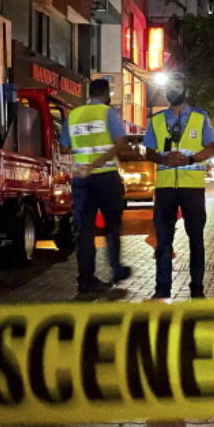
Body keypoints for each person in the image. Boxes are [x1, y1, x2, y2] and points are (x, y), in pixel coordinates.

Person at [144, 75, 214, 300]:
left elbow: (211, 148)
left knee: (196, 238)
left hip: (192, 188)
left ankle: (197, 288)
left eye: (177, 87)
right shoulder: (156, 120)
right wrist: (163, 159)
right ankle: (162, 288)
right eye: (170, 87)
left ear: (185, 89)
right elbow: (149, 151)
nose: (173, 91)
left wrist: (190, 160)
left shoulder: (200, 117)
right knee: (164, 240)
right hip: (165, 188)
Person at [62, 78, 132, 294]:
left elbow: (64, 148)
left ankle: (86, 279)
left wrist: (85, 159)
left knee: (85, 229)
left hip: (82, 179)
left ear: (89, 93)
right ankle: (116, 269)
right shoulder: (107, 113)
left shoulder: (73, 115)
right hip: (105, 177)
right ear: (106, 94)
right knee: (112, 225)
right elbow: (120, 142)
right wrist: (96, 162)